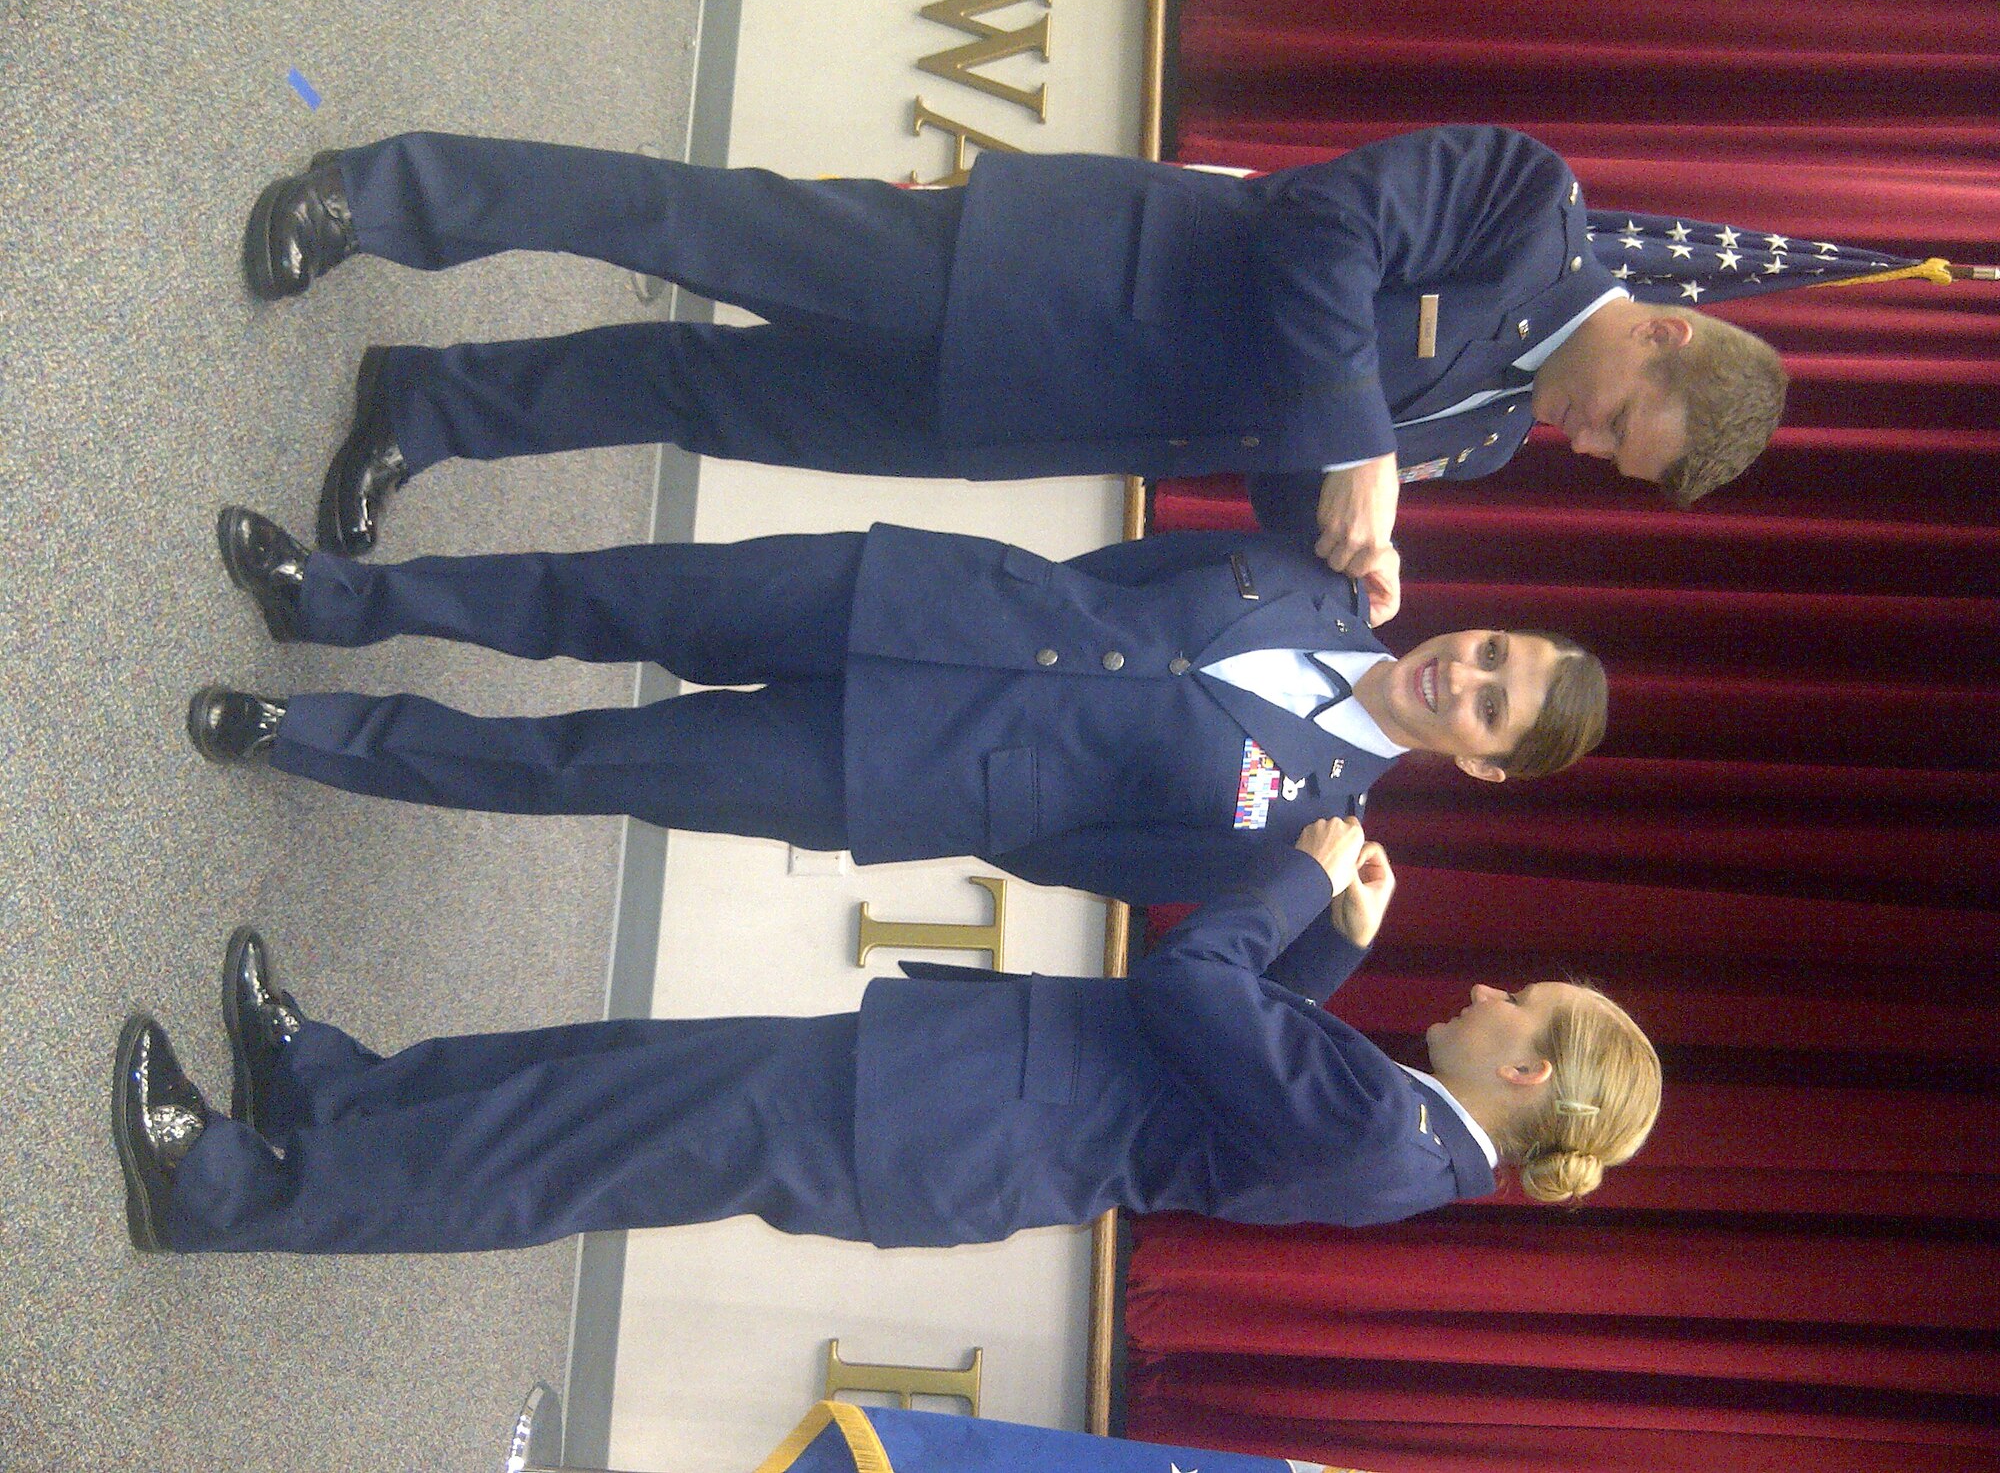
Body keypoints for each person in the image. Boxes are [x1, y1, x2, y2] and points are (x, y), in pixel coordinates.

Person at [244, 125, 1787, 623]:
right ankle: (380, 196)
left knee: (708, 398)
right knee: (699, 229)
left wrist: (1336, 556)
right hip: (1040, 268)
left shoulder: (1499, 431)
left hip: (1043, 413)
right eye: (1625, 428)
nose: (1583, 446)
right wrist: (1362, 441)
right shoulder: (1527, 206)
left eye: (1612, 464)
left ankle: (429, 407)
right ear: (1667, 335)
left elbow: (1272, 473)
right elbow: (1321, 225)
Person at [185, 508, 1607, 993]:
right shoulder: (1315, 579)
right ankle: (333, 598)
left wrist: (1340, 934)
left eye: (1490, 701)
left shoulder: (1306, 831)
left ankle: (304, 736)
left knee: (585, 764)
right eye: (1494, 648)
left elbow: (1162, 923)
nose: (1464, 672)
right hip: (919, 597)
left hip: (902, 774)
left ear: (1481, 764)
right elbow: (1131, 568)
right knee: (599, 590)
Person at [111, 820, 1662, 1255]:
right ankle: (328, 1095)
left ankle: (236, 1193)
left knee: (567, 1154)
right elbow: (1239, 1073)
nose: (1490, 995)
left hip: (933, 1125)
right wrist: (1336, 942)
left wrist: (1293, 879)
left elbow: (1195, 999)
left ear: (1530, 1078)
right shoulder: (1389, 1133)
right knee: (606, 1076)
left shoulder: (1388, 1139)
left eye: (1524, 1009)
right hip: (944, 1102)